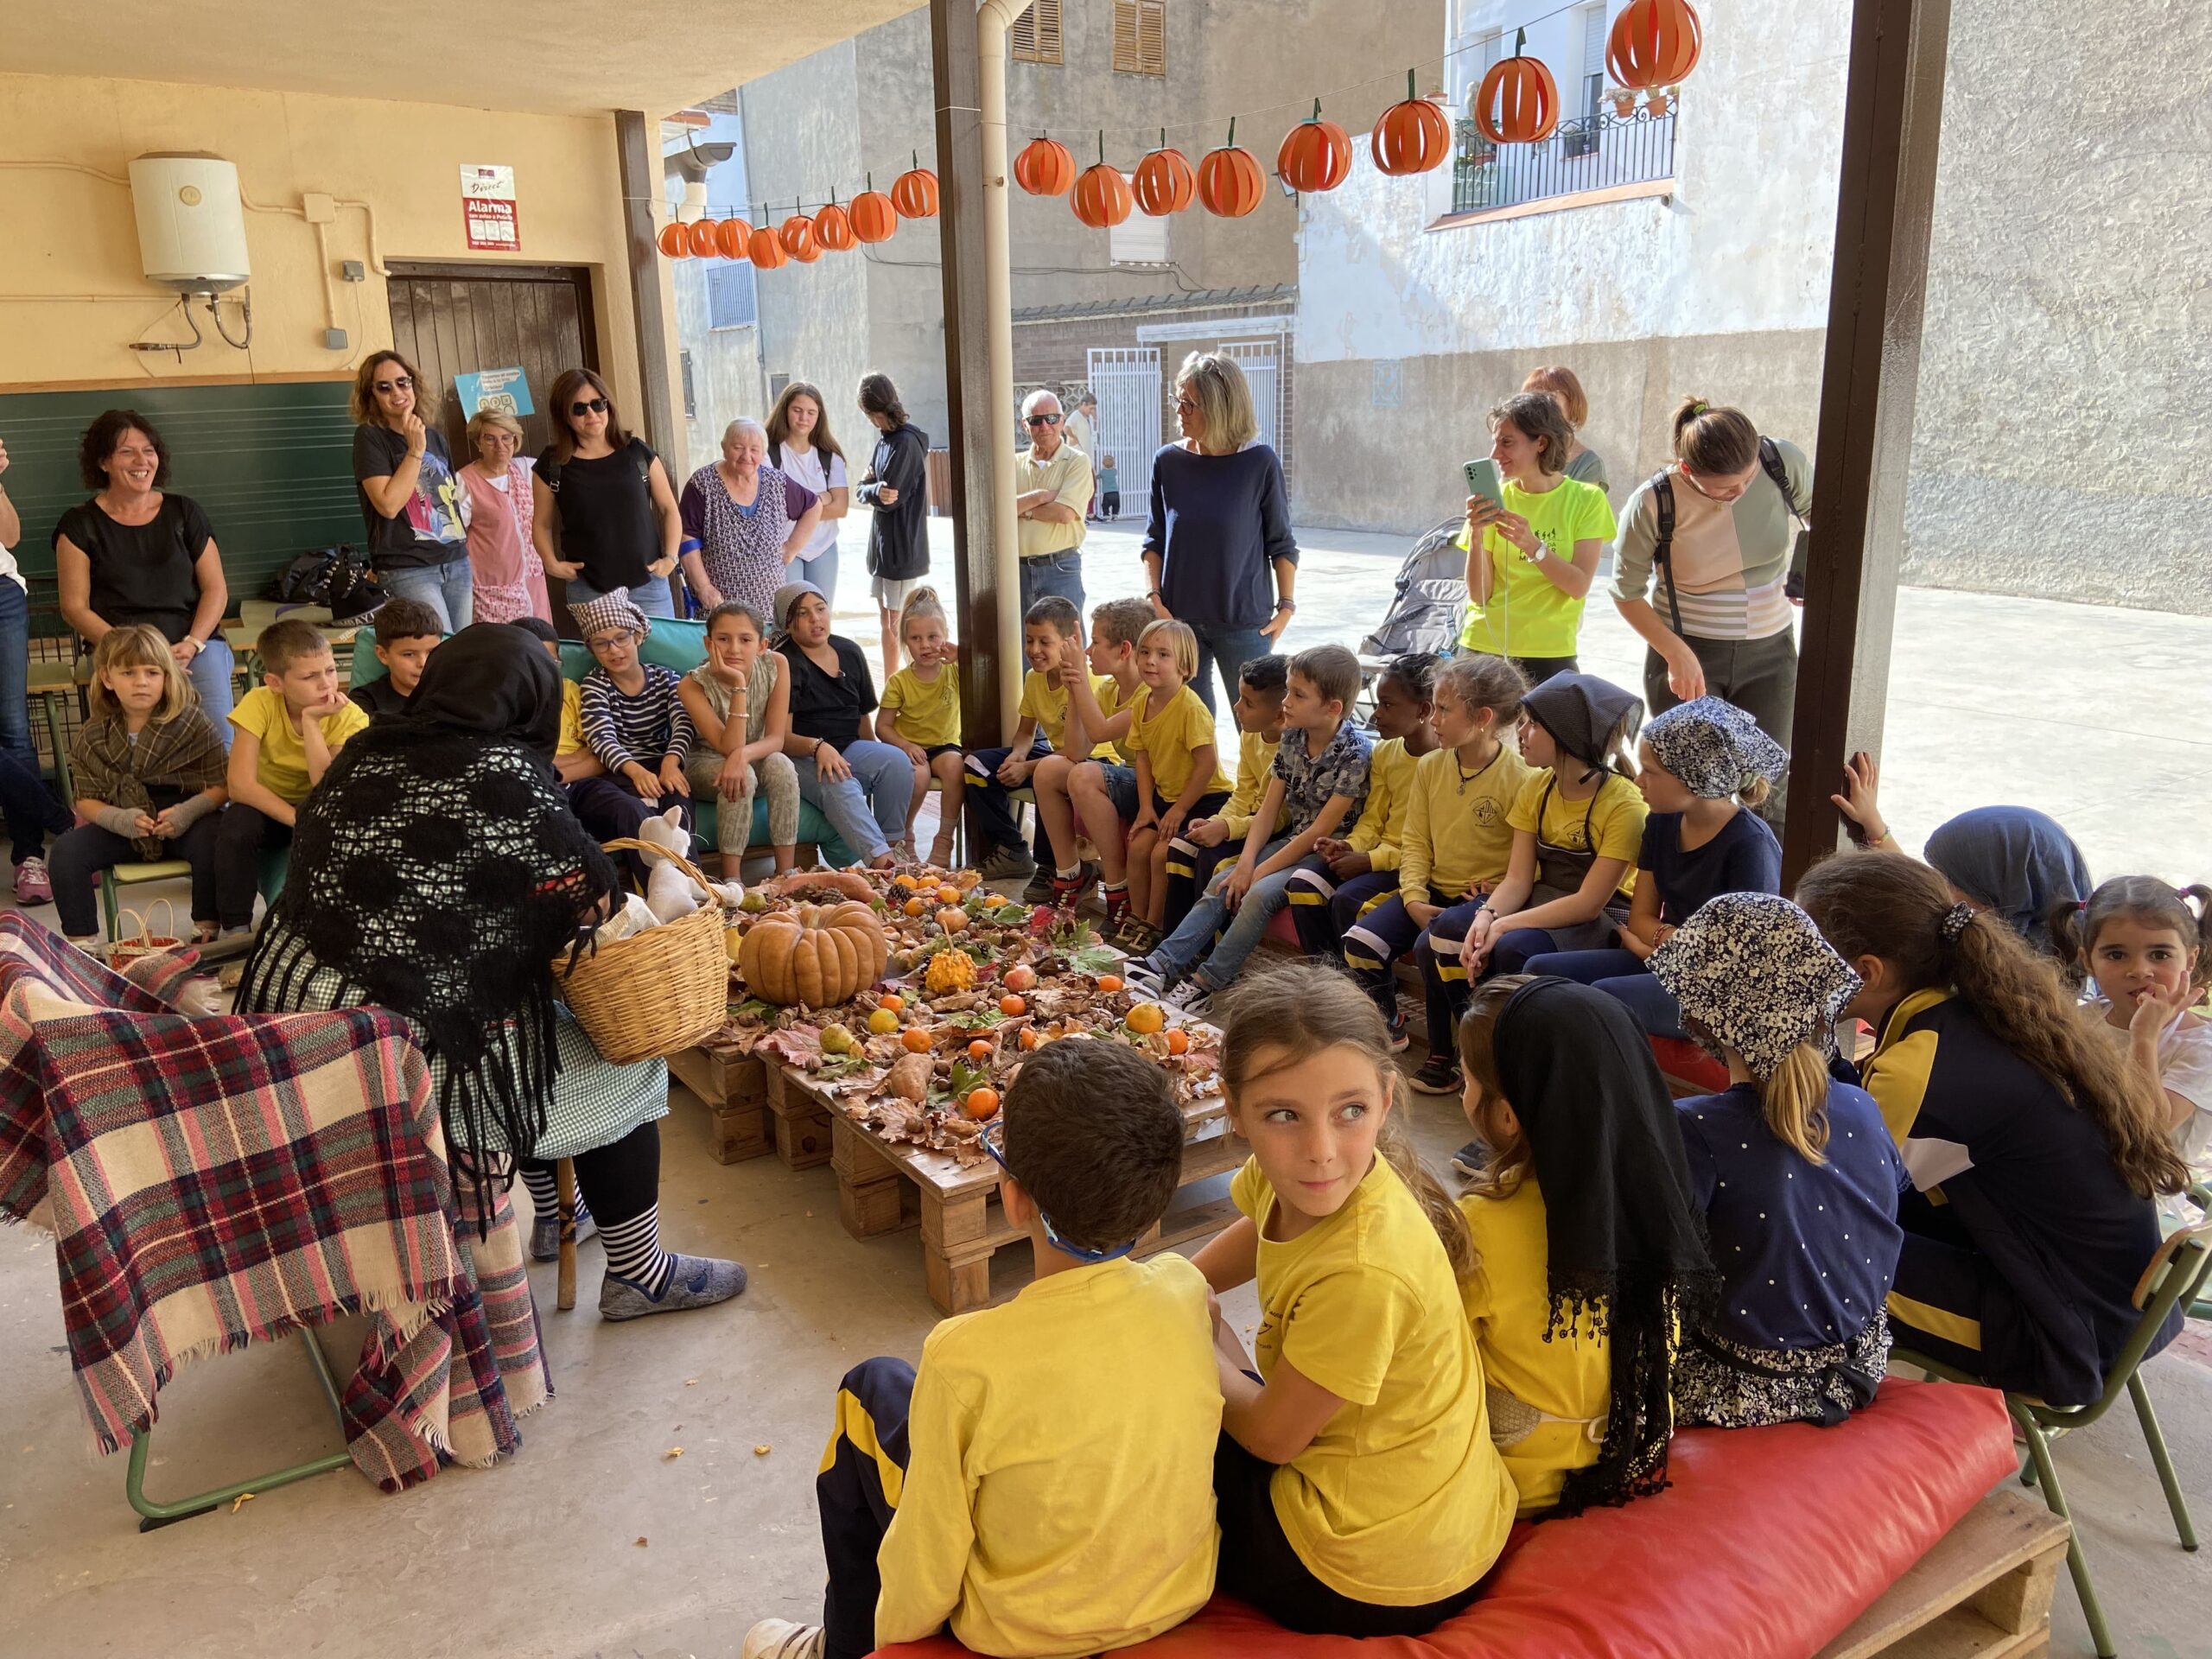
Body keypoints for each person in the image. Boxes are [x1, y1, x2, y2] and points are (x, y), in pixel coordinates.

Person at [235, 623, 746, 1320]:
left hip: (307, 1041)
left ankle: (558, 1213)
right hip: (407, 1053)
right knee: (611, 1057)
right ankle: (640, 1274)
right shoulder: (500, 772)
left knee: (517, 1010)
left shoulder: (362, 752)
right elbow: (592, 902)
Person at [741, 1039, 1217, 1659]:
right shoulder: (1185, 1291)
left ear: (1013, 1200)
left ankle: (842, 1648)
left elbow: (929, 1550)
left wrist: (892, 1649)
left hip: (1023, 1632)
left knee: (869, 1388)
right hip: (1173, 1597)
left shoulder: (964, 1357)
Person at [1796, 852, 2187, 1407]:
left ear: (1865, 973)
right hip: (2099, 1302)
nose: (1788, 969)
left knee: (1801, 1249)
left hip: (2058, 1334)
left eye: (1800, 954)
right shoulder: (1988, 1008)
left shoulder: (1920, 1067)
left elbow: (1821, 1189)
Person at [1192, 965, 1513, 1636]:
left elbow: (1273, 1439)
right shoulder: (1313, 1179)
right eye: (1284, 1115)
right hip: (1421, 1511)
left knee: (1158, 1417)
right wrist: (1180, 1286)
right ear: (1235, 1109)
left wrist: (1182, 1334)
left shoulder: (1365, 1271)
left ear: (1386, 1099)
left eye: (1351, 1112)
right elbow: (1258, 1224)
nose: (1321, 1152)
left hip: (1373, 1571)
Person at [1454, 975, 1714, 1512]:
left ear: (1507, 1115)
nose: (1463, 1092)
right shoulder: (1664, 1195)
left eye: (1465, 1080)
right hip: (1638, 1452)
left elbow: (1439, 1360)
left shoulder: (1480, 1223)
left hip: (1522, 1482)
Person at [1649, 894, 1905, 1427]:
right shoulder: (1860, 1103)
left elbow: (1656, 1258)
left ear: (1701, 1018)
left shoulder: (1696, 1128)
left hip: (1744, 1385)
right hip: (1860, 1364)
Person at [1412, 671, 1646, 1098]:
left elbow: (1589, 904)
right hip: (1542, 898)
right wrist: (1487, 915)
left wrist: (1502, 925)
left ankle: (1509, 1064)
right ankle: (1475, 1049)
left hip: (1599, 916)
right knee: (1443, 934)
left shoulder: (1624, 804)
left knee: (1513, 948)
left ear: (1569, 737)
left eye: (1533, 725)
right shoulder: (1537, 786)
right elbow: (1518, 879)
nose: (1520, 733)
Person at [1125, 645, 1371, 1020]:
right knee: (1223, 880)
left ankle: (1206, 983)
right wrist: (1244, 864)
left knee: (1258, 894)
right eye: (1288, 691)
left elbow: (1320, 831)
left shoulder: (1355, 753)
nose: (1286, 702)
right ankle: (1160, 963)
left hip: (1327, 854)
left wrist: (1257, 872)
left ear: (1332, 707)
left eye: (1298, 695)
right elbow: (1269, 809)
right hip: (1293, 842)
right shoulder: (1292, 738)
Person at [1520, 695, 1785, 1038]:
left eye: (1652, 772)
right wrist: (1662, 943)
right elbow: (1640, 918)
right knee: (1538, 971)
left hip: (1717, 990)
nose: (1639, 780)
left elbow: (1737, 961)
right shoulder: (1661, 822)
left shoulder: (1750, 845)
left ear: (1695, 777)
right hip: (1670, 961)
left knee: (1606, 997)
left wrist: (1649, 946)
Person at [1610, 399, 1811, 804]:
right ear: (1688, 470)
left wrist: (1805, 570)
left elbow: (1822, 515)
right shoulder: (1653, 501)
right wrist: (1675, 654)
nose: (1740, 492)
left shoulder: (1779, 462)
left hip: (1771, 653)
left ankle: (1763, 849)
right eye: (1725, 488)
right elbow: (1625, 592)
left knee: (1768, 788)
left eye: (1747, 478)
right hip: (1690, 654)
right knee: (1693, 790)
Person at [1354, 654, 1534, 1064]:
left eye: (1443, 709)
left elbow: (1530, 861)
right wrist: (1414, 897)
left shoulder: (1522, 778)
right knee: (1361, 943)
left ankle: (1456, 1053)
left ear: (1483, 718)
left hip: (1480, 900)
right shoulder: (1431, 766)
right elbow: (1415, 841)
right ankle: (1390, 1025)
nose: (1432, 719)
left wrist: (1497, 886)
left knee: (1432, 946)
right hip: (1432, 891)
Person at [54, 409, 237, 746]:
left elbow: (216, 589)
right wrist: (136, 653)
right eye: (127, 452)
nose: (142, 461)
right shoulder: (79, 525)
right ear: (103, 462)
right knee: (130, 750)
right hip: (120, 651)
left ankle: (219, 786)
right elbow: (74, 607)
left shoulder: (184, 512)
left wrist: (193, 642)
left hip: (192, 647)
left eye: (148, 451)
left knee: (218, 742)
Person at [49, 624, 228, 947]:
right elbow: (85, 799)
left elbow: (222, 785)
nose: (141, 682)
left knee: (215, 839)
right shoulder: (92, 734)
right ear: (108, 679)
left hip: (186, 818)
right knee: (66, 851)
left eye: (152, 672)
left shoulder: (193, 723)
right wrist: (120, 820)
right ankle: (81, 945)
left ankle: (206, 931)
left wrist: (187, 812)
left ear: (167, 678)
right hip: (126, 822)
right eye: (128, 672)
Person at [1141, 352, 1299, 715]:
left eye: (1189, 404)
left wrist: (1286, 607)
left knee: (1259, 727)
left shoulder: (1260, 462)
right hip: (1178, 622)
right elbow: (1155, 539)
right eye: (1177, 400)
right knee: (1187, 729)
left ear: (1220, 408)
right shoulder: (1167, 462)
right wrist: (1154, 599)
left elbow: (1281, 542)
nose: (1179, 411)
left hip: (1243, 622)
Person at [1828, 756, 2094, 960]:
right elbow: (1917, 882)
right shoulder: (2003, 931)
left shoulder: (2007, 967)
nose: (1938, 885)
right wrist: (1874, 824)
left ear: (2003, 890)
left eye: (1951, 879)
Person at [2051, 879, 2212, 1178]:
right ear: (2088, 961)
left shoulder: (2201, 1048)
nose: (2139, 971)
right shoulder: (2082, 1021)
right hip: (2076, 1174)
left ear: (2190, 960)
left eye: (2160, 954)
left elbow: (2149, 1128)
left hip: (2146, 1193)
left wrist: (2145, 1037)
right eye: (2116, 955)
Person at [1287, 652, 1440, 963]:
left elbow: (1428, 845)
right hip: (1377, 855)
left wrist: (1369, 860)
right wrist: (1349, 846)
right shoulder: (1385, 753)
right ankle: (1326, 976)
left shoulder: (1443, 765)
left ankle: (1357, 986)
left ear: (1424, 710)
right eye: (1378, 703)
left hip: (1411, 865)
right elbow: (1373, 819)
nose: (1376, 715)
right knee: (1303, 884)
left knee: (1347, 898)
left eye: (1388, 705)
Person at [218, 620, 368, 936]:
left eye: (330, 671)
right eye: (310, 677)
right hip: (271, 810)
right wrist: (297, 819)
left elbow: (325, 787)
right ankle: (236, 928)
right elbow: (240, 785)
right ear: (276, 682)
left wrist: (312, 724)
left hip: (321, 810)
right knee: (236, 824)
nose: (326, 684)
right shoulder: (259, 702)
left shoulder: (350, 715)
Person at [1456, 391, 1617, 685]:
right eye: (1495, 442)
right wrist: (1477, 535)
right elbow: (1479, 595)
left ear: (1541, 443)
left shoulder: (1587, 500)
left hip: (1550, 652)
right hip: (1483, 646)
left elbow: (1578, 585)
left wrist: (1533, 546)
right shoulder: (1495, 499)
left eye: (1507, 442)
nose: (1495, 454)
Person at [959, 595, 1112, 890]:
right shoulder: (1033, 678)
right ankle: (1012, 849)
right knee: (976, 764)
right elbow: (1025, 733)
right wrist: (1018, 755)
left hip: (1092, 762)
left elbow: (1078, 750)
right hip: (1054, 756)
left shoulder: (1088, 681)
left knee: (1047, 772)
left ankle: (1049, 864)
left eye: (1044, 642)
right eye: (1029, 640)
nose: (1034, 650)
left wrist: (1028, 768)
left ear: (1069, 643)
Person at [1107, 618, 1230, 948]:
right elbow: (1143, 758)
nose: (1150, 661)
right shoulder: (1141, 703)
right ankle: (1137, 917)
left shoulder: (1191, 708)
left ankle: (1155, 924)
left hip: (1204, 799)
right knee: (1138, 847)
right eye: (1145, 652)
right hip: (1165, 797)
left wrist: (1179, 810)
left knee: (1162, 853)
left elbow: (1207, 764)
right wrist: (1146, 807)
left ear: (1185, 666)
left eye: (1163, 655)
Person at [775, 581, 912, 872]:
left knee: (896, 762)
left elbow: (862, 718)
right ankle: (884, 865)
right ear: (787, 624)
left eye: (820, 609)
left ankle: (894, 849)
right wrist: (817, 747)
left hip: (847, 746)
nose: (815, 619)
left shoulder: (850, 651)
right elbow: (779, 737)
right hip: (798, 755)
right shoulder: (784, 661)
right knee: (838, 778)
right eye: (803, 614)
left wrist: (875, 757)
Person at [533, 368, 682, 620]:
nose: (591, 414)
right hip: (590, 590)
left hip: (649, 584)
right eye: (579, 408)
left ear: (608, 405)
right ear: (564, 415)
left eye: (598, 404)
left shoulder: (637, 452)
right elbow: (541, 523)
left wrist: (671, 557)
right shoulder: (552, 463)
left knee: (660, 648)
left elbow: (669, 509)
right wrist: (550, 562)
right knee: (604, 649)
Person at [567, 594, 696, 877]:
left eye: (621, 638)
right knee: (633, 811)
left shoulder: (666, 679)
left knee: (679, 799)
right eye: (602, 643)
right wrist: (636, 772)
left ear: (637, 637)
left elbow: (683, 722)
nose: (613, 650)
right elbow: (601, 738)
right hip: (616, 772)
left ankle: (693, 884)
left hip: (660, 766)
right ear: (591, 649)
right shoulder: (595, 684)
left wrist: (671, 762)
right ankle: (658, 887)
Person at [1160, 653, 1287, 938]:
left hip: (1274, 832)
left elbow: (1279, 817)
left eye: (1248, 703)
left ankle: (1208, 944)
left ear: (1279, 714)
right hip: (1247, 822)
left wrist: (1227, 828)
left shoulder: (1291, 749)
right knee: (1180, 846)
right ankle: (1174, 939)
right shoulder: (1250, 734)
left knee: (1212, 860)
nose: (1237, 707)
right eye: (1240, 697)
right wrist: (1216, 821)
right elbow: (1243, 793)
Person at [1030, 597, 1146, 907]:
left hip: (1159, 787)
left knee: (1083, 776)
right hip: (1133, 779)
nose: (1087, 652)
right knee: (1049, 768)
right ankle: (1070, 874)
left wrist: (1079, 677)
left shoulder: (1149, 693)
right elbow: (1075, 750)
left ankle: (1117, 886)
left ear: (1124, 650)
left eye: (1095, 642)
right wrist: (1072, 688)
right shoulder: (1109, 689)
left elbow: (1100, 733)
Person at [349, 352, 471, 631]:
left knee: (462, 648)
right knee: (437, 646)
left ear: (414, 384)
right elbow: (388, 505)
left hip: (456, 561)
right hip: (409, 569)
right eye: (384, 387)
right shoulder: (370, 438)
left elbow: (449, 500)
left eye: (402, 382)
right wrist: (415, 450)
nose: (396, 392)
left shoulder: (435, 437)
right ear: (371, 395)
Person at [679, 601, 801, 880]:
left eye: (745, 640)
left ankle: (787, 876)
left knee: (781, 763)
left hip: (752, 755)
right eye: (723, 639)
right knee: (742, 773)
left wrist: (742, 755)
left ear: (762, 645)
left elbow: (776, 739)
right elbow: (729, 746)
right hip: (706, 762)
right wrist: (738, 684)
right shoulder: (691, 685)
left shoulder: (777, 664)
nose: (734, 649)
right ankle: (732, 882)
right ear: (708, 643)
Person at [0, 430, 63, 908]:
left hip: (2, 594)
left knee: (14, 727)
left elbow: (9, 536)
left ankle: (29, 857)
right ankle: (62, 821)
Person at [678, 417, 823, 623]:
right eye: (738, 448)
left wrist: (792, 548)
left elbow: (813, 506)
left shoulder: (777, 483)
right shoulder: (702, 484)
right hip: (719, 606)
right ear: (724, 448)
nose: (747, 456)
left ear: (763, 453)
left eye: (755, 450)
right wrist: (704, 588)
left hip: (768, 607)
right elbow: (687, 539)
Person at [876, 587, 963, 868]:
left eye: (933, 637)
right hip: (911, 747)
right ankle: (905, 836)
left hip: (945, 746)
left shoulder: (955, 672)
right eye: (916, 638)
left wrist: (963, 655)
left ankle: (944, 840)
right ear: (905, 641)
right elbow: (883, 727)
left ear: (945, 637)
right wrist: (905, 745)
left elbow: (987, 667)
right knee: (919, 776)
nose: (925, 645)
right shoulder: (899, 681)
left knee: (955, 767)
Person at [854, 373, 930, 680]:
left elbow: (891, 499)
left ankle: (916, 686)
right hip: (884, 548)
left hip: (902, 548)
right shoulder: (884, 440)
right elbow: (864, 488)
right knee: (886, 622)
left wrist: (871, 487)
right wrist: (873, 488)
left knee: (902, 625)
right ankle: (890, 685)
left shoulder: (906, 443)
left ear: (870, 411)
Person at [454, 408, 550, 626]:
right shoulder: (464, 481)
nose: (500, 445)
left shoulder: (527, 469)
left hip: (532, 583)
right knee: (501, 644)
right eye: (490, 438)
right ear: (478, 442)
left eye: (507, 437)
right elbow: (456, 538)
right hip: (493, 592)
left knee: (539, 642)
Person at [765, 380, 851, 607]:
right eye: (797, 410)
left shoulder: (829, 457)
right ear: (785, 410)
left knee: (820, 614)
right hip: (783, 546)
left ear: (819, 416)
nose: (804, 418)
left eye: (811, 412)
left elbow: (840, 508)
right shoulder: (769, 453)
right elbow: (773, 506)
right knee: (790, 613)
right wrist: (821, 498)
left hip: (823, 546)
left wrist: (797, 506)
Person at [1011, 389, 1090, 616]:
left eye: (1052, 418)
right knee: (1018, 637)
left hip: (1060, 569)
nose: (1045, 426)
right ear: (1024, 425)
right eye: (1036, 420)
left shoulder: (1077, 462)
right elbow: (999, 511)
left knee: (1065, 636)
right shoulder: (1011, 464)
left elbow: (1064, 514)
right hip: (1017, 571)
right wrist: (1039, 496)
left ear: (1062, 420)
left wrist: (1021, 509)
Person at [511, 616, 605, 787]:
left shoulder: (571, 691)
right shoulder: (505, 697)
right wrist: (576, 757)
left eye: (551, 662)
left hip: (581, 781)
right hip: (530, 783)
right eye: (533, 661)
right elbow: (513, 760)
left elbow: (602, 755)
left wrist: (555, 775)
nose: (542, 670)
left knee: (624, 803)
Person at [349, 597, 443, 724]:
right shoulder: (364, 702)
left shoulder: (453, 694)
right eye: (409, 654)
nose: (423, 663)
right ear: (383, 655)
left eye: (432, 652)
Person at [1521, 365, 1610, 499]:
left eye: (1550, 398)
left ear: (1572, 403)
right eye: (1532, 400)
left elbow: (1581, 510)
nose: (1540, 408)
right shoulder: (1520, 453)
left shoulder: (1589, 465)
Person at [1065, 390, 1101, 510]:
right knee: (1089, 485)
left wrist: (1095, 418)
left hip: (1086, 456)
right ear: (1084, 404)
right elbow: (1066, 428)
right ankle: (1088, 512)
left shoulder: (1085, 418)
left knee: (1091, 485)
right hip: (1079, 455)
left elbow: (1095, 431)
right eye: (1091, 408)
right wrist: (1073, 438)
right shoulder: (1075, 415)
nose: (1092, 411)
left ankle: (1089, 512)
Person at [1098, 452, 1122, 519]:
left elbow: (1097, 477)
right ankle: (1115, 515)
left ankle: (1106, 515)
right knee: (1116, 505)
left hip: (1107, 493)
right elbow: (1114, 472)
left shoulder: (1102, 472)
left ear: (1103, 463)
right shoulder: (1114, 471)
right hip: (1115, 492)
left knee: (1105, 505)